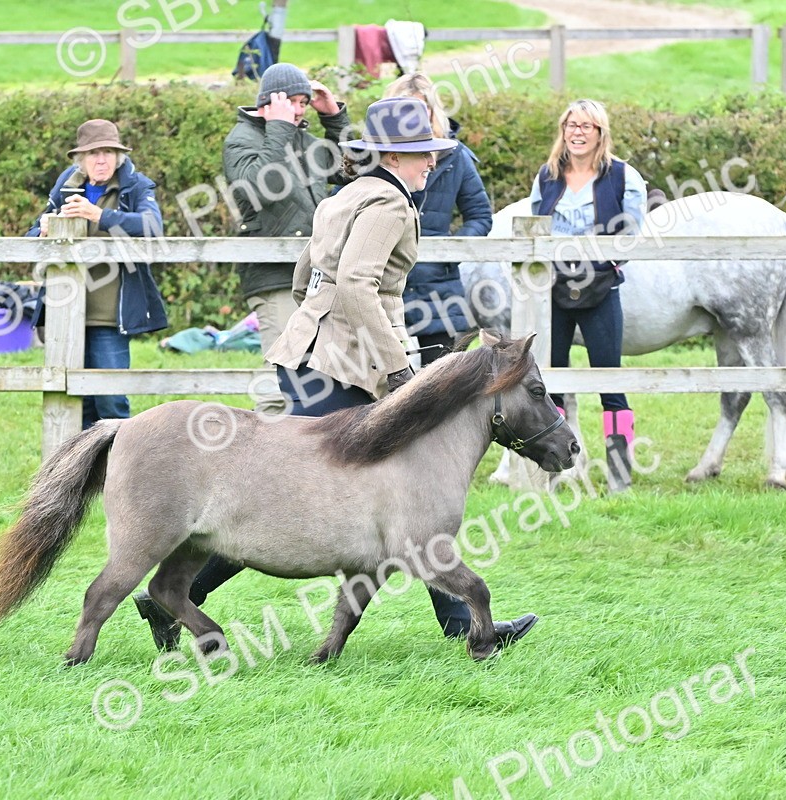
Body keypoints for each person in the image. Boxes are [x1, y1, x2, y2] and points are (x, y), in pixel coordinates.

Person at [134, 97, 538, 651]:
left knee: (333, 490)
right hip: (344, 366)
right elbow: (355, 283)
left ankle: (177, 596)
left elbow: (306, 277)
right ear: (395, 157)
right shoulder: (390, 205)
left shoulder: (346, 194)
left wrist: (317, 326)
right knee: (309, 495)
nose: (432, 162)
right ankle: (175, 596)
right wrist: (397, 367)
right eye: (423, 154)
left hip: (310, 354)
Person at [529, 99, 647, 492]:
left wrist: (599, 260)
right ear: (563, 130)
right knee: (551, 384)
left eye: (586, 126)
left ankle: (620, 476)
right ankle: (556, 472)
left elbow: (631, 235)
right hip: (554, 291)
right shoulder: (547, 176)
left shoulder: (623, 177)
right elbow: (536, 229)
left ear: (600, 133)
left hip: (600, 290)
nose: (577, 133)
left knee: (610, 383)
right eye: (571, 125)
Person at [222, 62, 350, 415]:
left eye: (303, 103)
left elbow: (355, 169)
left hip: (315, 275)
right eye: (291, 101)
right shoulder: (240, 140)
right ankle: (261, 451)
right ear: (268, 102)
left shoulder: (303, 140)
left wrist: (334, 118)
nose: (299, 110)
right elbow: (265, 188)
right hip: (275, 277)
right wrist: (278, 128)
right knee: (278, 386)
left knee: (320, 381)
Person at [26, 119, 168, 430]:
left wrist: (99, 215)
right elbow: (30, 235)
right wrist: (43, 230)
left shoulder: (135, 185)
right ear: (81, 158)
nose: (101, 160)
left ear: (118, 156)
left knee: (111, 399)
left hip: (109, 315)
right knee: (73, 400)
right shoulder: (67, 184)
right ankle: (80, 461)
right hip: (65, 311)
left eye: (108, 152)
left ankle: (120, 460)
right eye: (93, 153)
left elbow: (152, 227)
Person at [381, 73, 492, 366]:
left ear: (433, 111)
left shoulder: (456, 156)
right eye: (406, 111)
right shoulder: (374, 156)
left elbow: (480, 215)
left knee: (443, 383)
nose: (414, 119)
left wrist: (449, 253)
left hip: (438, 288)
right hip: (384, 283)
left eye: (422, 109)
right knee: (382, 382)